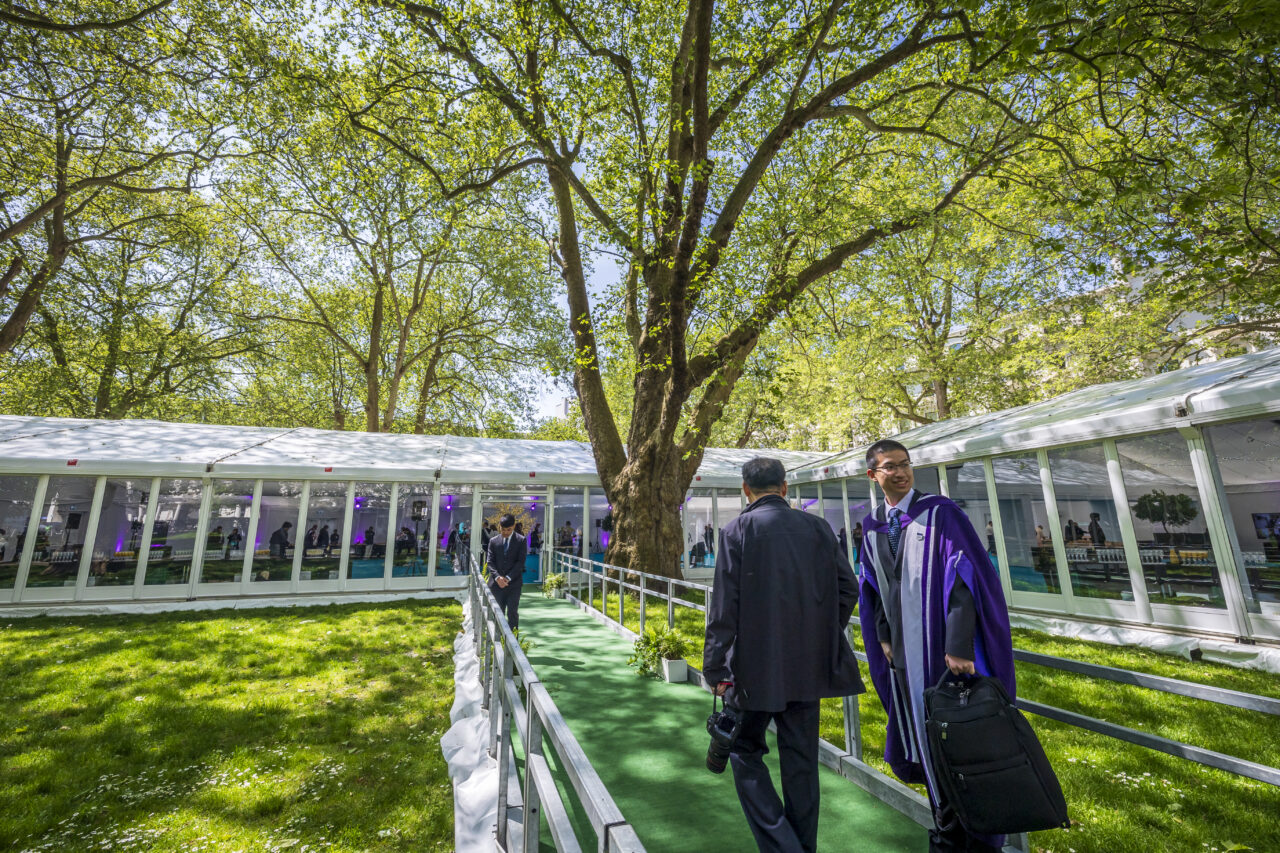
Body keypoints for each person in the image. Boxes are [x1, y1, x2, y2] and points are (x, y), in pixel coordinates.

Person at [858, 439, 1015, 853]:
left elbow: (964, 580)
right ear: (873, 475)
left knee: (962, 740)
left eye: (905, 464)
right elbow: (873, 587)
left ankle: (976, 836)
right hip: (906, 656)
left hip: (943, 650)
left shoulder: (940, 514)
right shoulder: (874, 524)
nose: (901, 472)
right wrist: (885, 637)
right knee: (927, 741)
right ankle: (946, 826)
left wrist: (959, 645)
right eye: (890, 467)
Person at [704, 457, 863, 853]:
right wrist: (822, 629)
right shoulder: (818, 527)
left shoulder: (737, 529)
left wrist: (714, 665)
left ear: (746, 489)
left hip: (752, 668)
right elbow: (849, 589)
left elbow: (724, 605)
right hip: (808, 665)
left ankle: (782, 845)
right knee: (801, 763)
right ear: (785, 487)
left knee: (742, 748)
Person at [487, 513, 528, 630]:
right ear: (499, 527)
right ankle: (497, 642)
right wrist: (497, 578)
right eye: (503, 529)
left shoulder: (521, 540)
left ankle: (512, 644)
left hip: (514, 584)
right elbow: (490, 562)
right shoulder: (493, 541)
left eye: (508, 530)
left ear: (514, 526)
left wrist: (508, 578)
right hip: (496, 584)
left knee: (512, 613)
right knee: (497, 613)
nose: (505, 532)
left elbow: (520, 562)